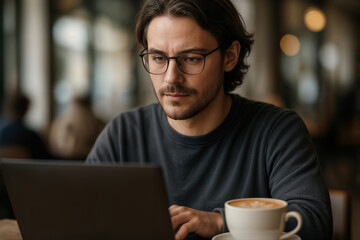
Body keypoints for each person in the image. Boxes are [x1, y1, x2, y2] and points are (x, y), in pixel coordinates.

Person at [86, 0, 332, 239]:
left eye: (191, 58)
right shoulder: (123, 134)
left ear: (230, 56)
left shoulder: (277, 131)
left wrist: (219, 222)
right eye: (158, 58)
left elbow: (313, 223)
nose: (171, 78)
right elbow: (78, 218)